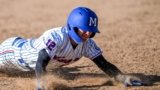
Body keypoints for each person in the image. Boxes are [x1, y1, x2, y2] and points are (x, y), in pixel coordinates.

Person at [0, 6, 144, 90]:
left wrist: (121, 77)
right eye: (84, 29)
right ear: (73, 26)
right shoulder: (56, 37)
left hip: (27, 60)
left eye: (91, 30)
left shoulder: (87, 44)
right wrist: (41, 85)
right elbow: (41, 62)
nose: (88, 33)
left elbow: (103, 64)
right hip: (12, 52)